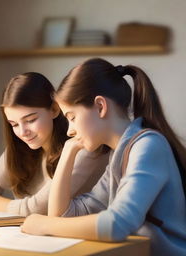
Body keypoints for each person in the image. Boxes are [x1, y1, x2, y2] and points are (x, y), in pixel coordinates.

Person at [21, 59, 186, 256]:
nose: (69, 131)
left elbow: (117, 224)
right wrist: (68, 154)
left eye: (72, 117)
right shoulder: (119, 155)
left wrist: (44, 225)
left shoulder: (148, 146)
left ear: (100, 106)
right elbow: (62, 215)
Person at [0, 72, 106, 216]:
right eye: (14, 124)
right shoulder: (21, 147)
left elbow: (39, 209)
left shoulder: (82, 145)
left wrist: (14, 208)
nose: (23, 132)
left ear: (54, 109)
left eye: (30, 120)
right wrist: (20, 209)